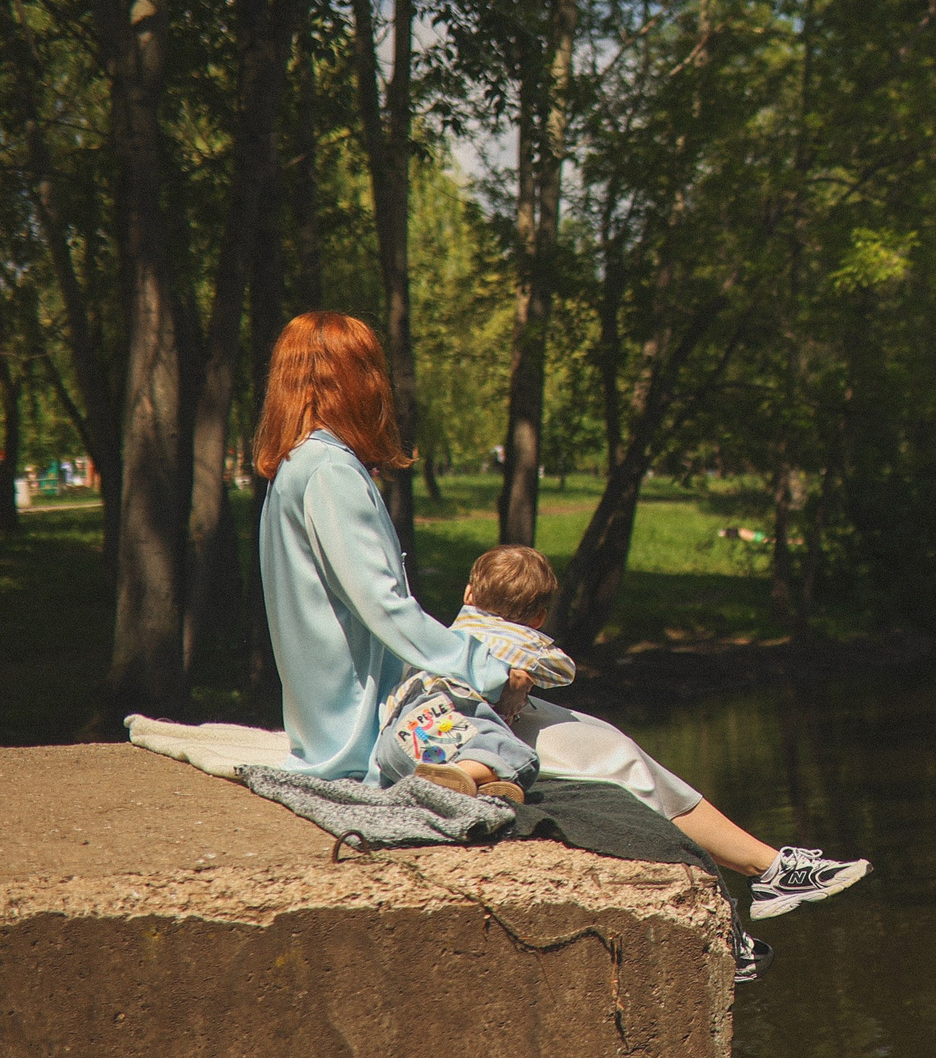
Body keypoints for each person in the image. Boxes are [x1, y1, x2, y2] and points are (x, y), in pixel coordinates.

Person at [254, 311, 869, 976]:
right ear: (352, 380)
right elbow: (386, 609)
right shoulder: (330, 474)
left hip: (368, 707)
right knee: (606, 758)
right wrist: (489, 670)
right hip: (382, 719)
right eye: (372, 371)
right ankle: (762, 880)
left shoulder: (297, 469)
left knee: (608, 747)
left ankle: (770, 867)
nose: (384, 390)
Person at [372, 545, 573, 804]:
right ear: (539, 618)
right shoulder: (526, 642)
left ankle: (465, 783)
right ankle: (465, 774)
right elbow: (564, 672)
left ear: (468, 594)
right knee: (516, 755)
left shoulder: (456, 629)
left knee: (415, 754)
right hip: (455, 710)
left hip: (402, 725)